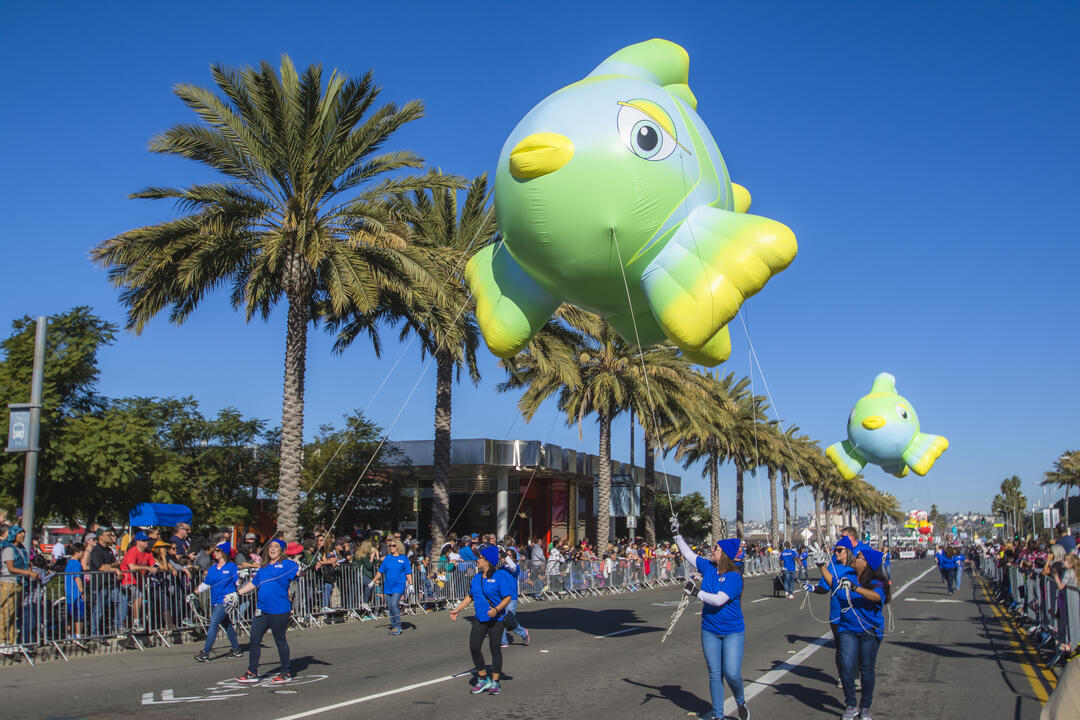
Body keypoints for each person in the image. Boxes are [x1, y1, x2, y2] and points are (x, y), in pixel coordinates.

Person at [673, 520, 750, 720]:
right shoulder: (707, 566)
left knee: (732, 673)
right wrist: (676, 535)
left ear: (724, 554)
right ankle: (718, 715)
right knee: (715, 674)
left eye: (715, 548)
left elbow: (718, 600)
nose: (711, 550)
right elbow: (689, 555)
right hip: (709, 629)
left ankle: (740, 701)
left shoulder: (734, 577)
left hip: (732, 631)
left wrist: (696, 593)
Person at [831, 543, 890, 720]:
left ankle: (865, 707)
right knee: (847, 666)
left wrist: (855, 588)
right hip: (847, 628)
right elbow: (830, 581)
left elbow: (877, 597)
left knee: (867, 669)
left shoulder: (877, 581)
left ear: (867, 563)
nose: (855, 559)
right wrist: (820, 566)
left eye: (858, 557)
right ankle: (851, 704)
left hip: (869, 630)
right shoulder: (847, 574)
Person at [449, 545, 514, 695]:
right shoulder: (477, 577)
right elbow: (470, 596)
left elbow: (507, 598)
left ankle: (496, 681)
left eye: (480, 558)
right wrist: (458, 609)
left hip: (496, 619)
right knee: (474, 647)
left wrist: (496, 610)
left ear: (488, 561)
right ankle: (483, 678)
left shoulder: (499, 577)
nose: (477, 560)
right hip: (480, 619)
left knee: (495, 649)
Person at [233, 539, 299, 684]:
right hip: (262, 608)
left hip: (279, 609)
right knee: (254, 639)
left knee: (279, 639)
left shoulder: (287, 564)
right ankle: (252, 671)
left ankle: (286, 672)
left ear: (281, 550)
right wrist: (237, 593)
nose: (272, 549)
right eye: (270, 547)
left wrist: (302, 569)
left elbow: (299, 572)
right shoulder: (263, 567)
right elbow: (253, 583)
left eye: (276, 547)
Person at [805, 536, 860, 692]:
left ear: (848, 551)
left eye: (839, 550)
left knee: (855, 648)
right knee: (842, 648)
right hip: (836, 615)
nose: (836, 553)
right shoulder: (832, 567)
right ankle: (843, 675)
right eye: (834, 550)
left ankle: (855, 676)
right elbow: (826, 587)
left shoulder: (856, 567)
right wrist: (814, 589)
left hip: (855, 613)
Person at [192, 541, 242, 662]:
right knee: (227, 625)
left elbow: (238, 583)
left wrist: (241, 577)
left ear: (223, 552)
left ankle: (205, 652)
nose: (215, 553)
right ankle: (236, 649)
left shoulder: (231, 566)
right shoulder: (213, 568)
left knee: (213, 624)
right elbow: (207, 583)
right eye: (214, 551)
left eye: (217, 551)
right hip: (215, 600)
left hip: (226, 600)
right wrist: (196, 591)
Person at [1, 525, 35, 652]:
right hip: (8, 583)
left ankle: (11, 641)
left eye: (23, 533)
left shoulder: (21, 549)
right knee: (5, 613)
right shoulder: (9, 549)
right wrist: (28, 573)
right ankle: (2, 641)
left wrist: (29, 570)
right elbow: (11, 568)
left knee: (14, 615)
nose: (23, 536)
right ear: (14, 534)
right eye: (20, 533)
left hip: (18, 583)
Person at [369, 537, 412, 635]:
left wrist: (411, 584)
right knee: (389, 606)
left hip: (399, 585)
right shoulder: (388, 558)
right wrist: (374, 580)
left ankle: (398, 625)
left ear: (398, 547)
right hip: (388, 586)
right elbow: (380, 571)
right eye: (390, 546)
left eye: (393, 545)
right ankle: (393, 626)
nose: (391, 547)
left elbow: (408, 572)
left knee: (393, 604)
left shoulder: (403, 558)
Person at [498, 547, 530, 647]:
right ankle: (504, 641)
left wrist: (506, 557)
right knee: (501, 619)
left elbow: (512, 567)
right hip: (502, 597)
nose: (506, 557)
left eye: (509, 555)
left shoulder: (515, 567)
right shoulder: (501, 569)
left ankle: (523, 633)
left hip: (512, 597)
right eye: (505, 555)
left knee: (509, 619)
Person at [64, 542, 88, 642]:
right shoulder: (76, 564)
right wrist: (82, 591)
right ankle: (78, 635)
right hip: (76, 593)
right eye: (82, 551)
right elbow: (77, 578)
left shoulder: (69, 562)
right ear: (78, 552)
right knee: (79, 616)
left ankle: (69, 635)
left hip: (69, 593)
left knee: (70, 615)